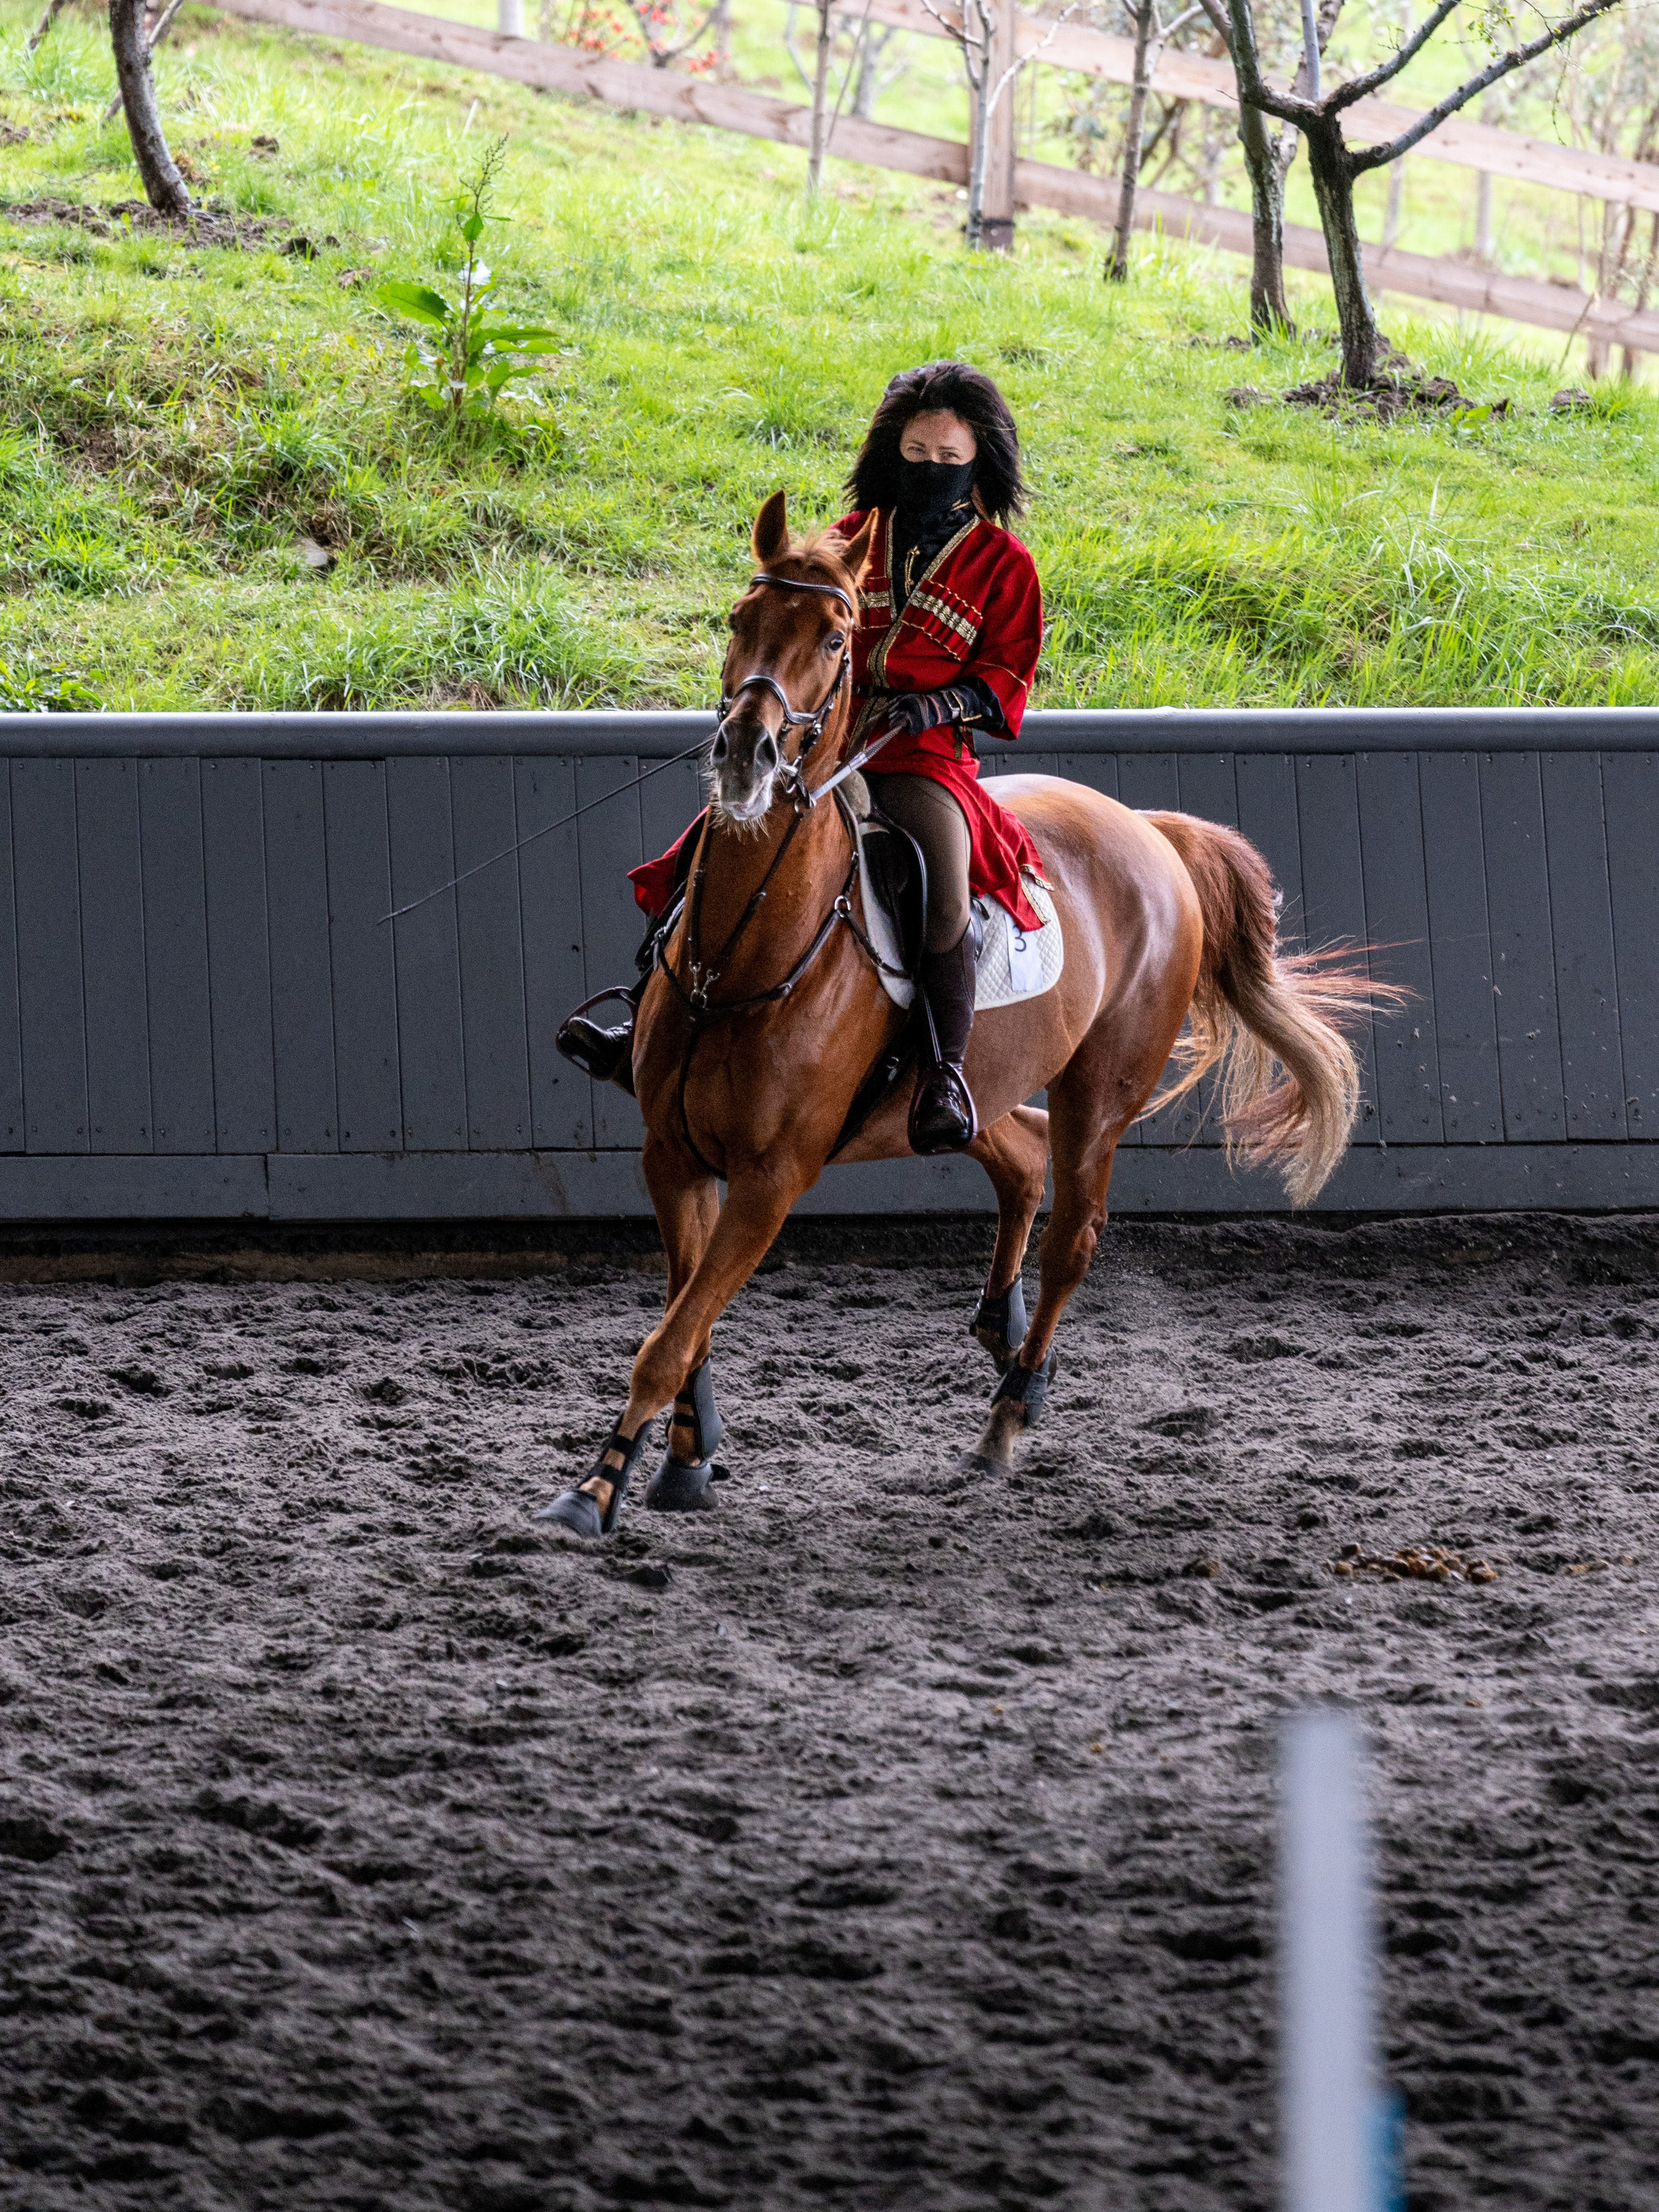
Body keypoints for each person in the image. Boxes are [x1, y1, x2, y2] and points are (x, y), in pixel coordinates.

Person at [557, 359, 1046, 1156]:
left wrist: (940, 702)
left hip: (921, 757)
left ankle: (945, 1073)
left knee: (941, 885)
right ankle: (640, 1016)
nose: (929, 469)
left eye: (947, 457)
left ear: (977, 460)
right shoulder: (847, 540)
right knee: (704, 849)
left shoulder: (1004, 563)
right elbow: (785, 631)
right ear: (891, 453)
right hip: (820, 742)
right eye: (914, 454)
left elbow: (1006, 674)